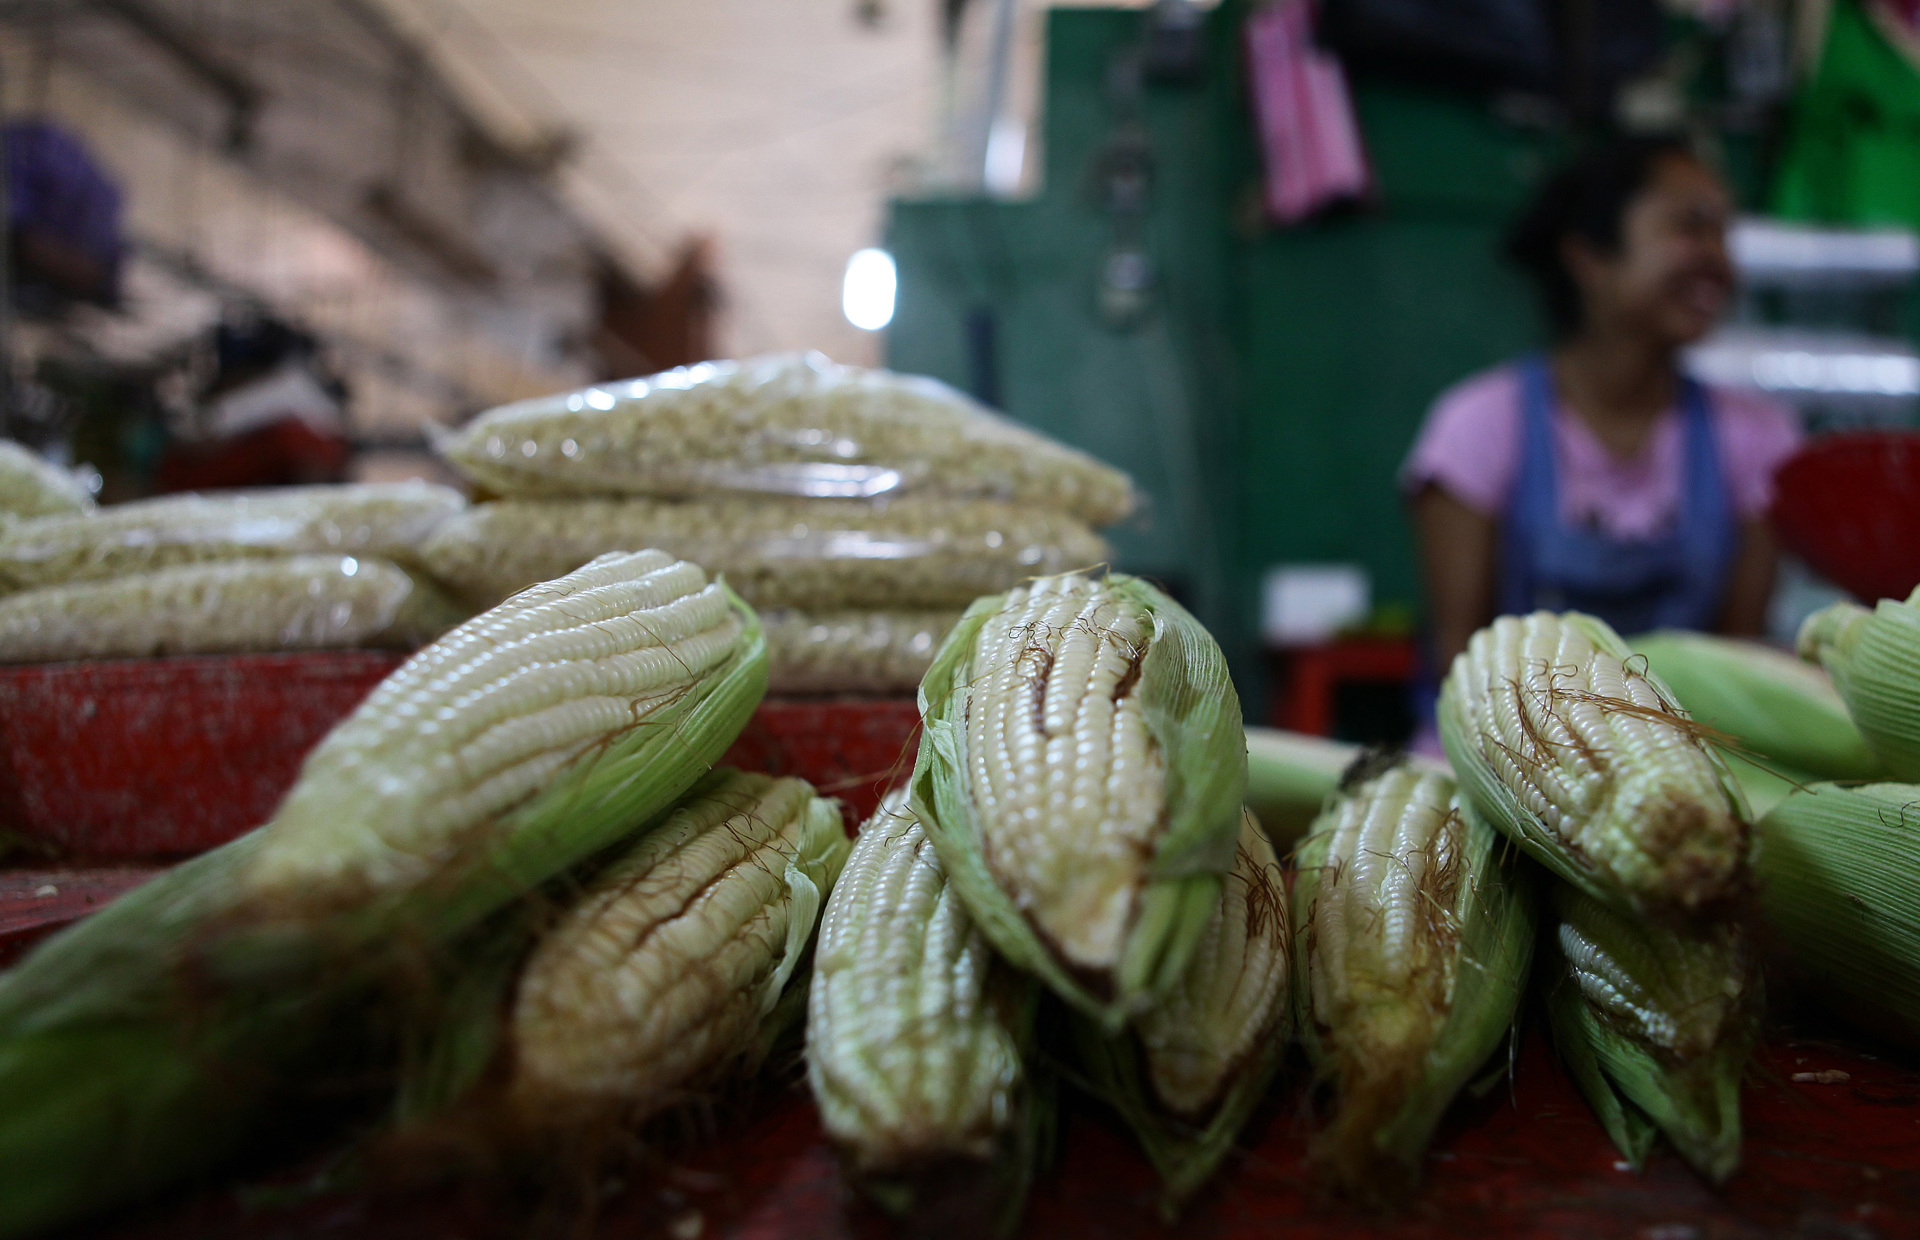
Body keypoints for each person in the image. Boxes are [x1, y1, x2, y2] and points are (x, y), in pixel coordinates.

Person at [1403, 137, 1801, 684]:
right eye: (1690, 227)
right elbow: (1459, 660)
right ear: (1588, 257)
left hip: (1686, 733)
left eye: (1723, 234)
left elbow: (1738, 667)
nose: (1718, 259)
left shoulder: (1757, 438)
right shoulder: (1478, 427)